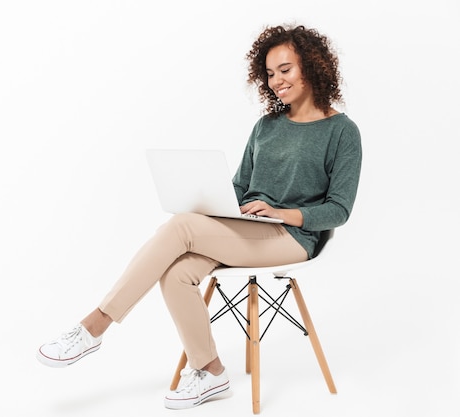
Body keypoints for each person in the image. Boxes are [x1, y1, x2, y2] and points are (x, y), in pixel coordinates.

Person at [36, 23, 362, 410]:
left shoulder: (342, 132)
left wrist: (281, 213)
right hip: (247, 228)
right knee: (177, 273)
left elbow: (338, 210)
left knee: (182, 227)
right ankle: (210, 373)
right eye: (270, 74)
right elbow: (242, 185)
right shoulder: (267, 126)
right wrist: (215, 201)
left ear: (312, 66)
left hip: (292, 237)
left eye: (285, 70)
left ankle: (94, 327)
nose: (276, 81)